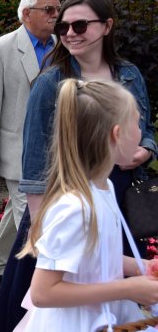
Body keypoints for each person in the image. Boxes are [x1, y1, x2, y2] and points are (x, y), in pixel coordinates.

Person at [0, 0, 157, 331]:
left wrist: (145, 149)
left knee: (96, 270)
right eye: (63, 26)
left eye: (79, 25)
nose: (69, 33)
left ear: (107, 26)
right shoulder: (52, 82)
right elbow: (36, 158)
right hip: (62, 192)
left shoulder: (128, 74)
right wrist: (40, 228)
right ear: (115, 134)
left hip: (115, 187)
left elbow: (147, 128)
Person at [15, 79, 158, 330]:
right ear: (116, 134)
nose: (142, 131)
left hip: (102, 315)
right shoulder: (75, 207)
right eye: (137, 122)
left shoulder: (104, 187)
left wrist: (139, 266)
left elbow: (94, 255)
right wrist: (126, 288)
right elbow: (43, 292)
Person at [0, 0, 60, 286]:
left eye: (56, 9)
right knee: (34, 217)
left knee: (18, 210)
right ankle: (39, 284)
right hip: (17, 151)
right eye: (48, 9)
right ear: (26, 14)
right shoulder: (0, 49)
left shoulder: (61, 46)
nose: (55, 15)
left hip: (53, 150)